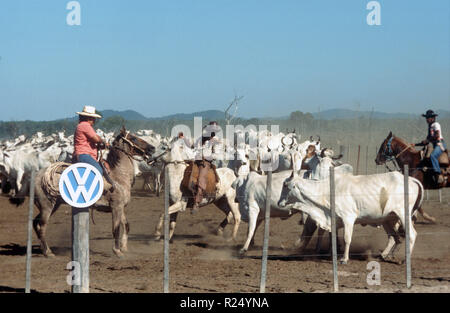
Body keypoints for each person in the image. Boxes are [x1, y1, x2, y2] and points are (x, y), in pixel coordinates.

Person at [73, 105, 117, 191]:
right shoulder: (85, 126)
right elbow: (96, 139)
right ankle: (88, 190)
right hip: (84, 155)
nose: (94, 120)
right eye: (93, 118)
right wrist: (104, 142)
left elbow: (93, 141)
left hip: (85, 155)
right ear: (88, 118)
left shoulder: (82, 126)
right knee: (98, 170)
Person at [191, 121, 222, 212]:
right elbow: (195, 148)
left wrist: (206, 157)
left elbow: (216, 155)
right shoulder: (200, 138)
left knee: (201, 177)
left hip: (207, 163)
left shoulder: (217, 141)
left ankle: (197, 202)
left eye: (213, 130)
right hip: (196, 160)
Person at [413, 109, 447, 184]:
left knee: (433, 156)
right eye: (426, 118)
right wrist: (415, 145)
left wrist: (427, 141)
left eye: (428, 117)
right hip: (435, 145)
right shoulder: (430, 127)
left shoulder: (436, 125)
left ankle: (438, 174)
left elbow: (437, 135)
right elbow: (426, 141)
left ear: (433, 118)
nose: (427, 119)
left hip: (440, 144)